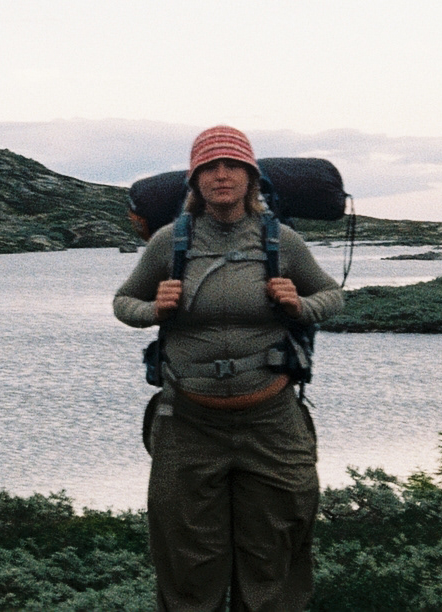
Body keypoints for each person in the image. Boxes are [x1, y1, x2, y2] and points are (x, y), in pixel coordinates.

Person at [114, 125, 345, 612]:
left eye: (233, 166)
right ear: (195, 181)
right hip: (187, 422)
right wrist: (153, 309)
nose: (222, 175)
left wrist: (300, 305)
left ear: (251, 178)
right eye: (210, 167)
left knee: (274, 550)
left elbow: (332, 295)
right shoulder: (168, 243)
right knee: (187, 559)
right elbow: (123, 302)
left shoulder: (281, 240)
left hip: (272, 420)